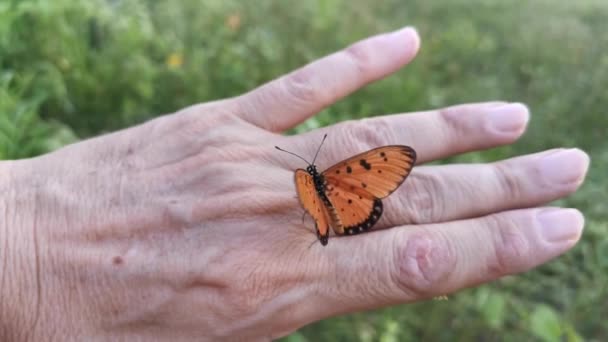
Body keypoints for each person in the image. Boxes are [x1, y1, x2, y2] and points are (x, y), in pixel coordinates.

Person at [0, 26, 589, 341]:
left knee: (340, 214)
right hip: (340, 206)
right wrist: (21, 253)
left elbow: (322, 188)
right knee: (333, 205)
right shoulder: (314, 182)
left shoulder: (311, 182)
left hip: (331, 206)